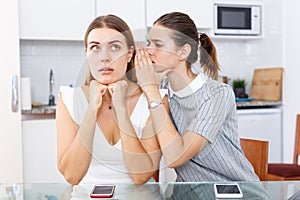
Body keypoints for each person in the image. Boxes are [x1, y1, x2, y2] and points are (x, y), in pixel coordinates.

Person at [134, 11, 260, 182]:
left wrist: (151, 91)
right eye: (149, 43)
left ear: (183, 52)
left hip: (233, 189)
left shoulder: (217, 95)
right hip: (190, 192)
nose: (149, 51)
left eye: (158, 44)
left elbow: (175, 157)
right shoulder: (162, 90)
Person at [56, 14, 173, 186]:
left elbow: (141, 176)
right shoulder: (68, 99)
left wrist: (121, 110)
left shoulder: (153, 99)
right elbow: (72, 176)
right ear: (87, 53)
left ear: (129, 54)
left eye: (115, 47)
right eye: (95, 47)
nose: (105, 57)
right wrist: (91, 111)